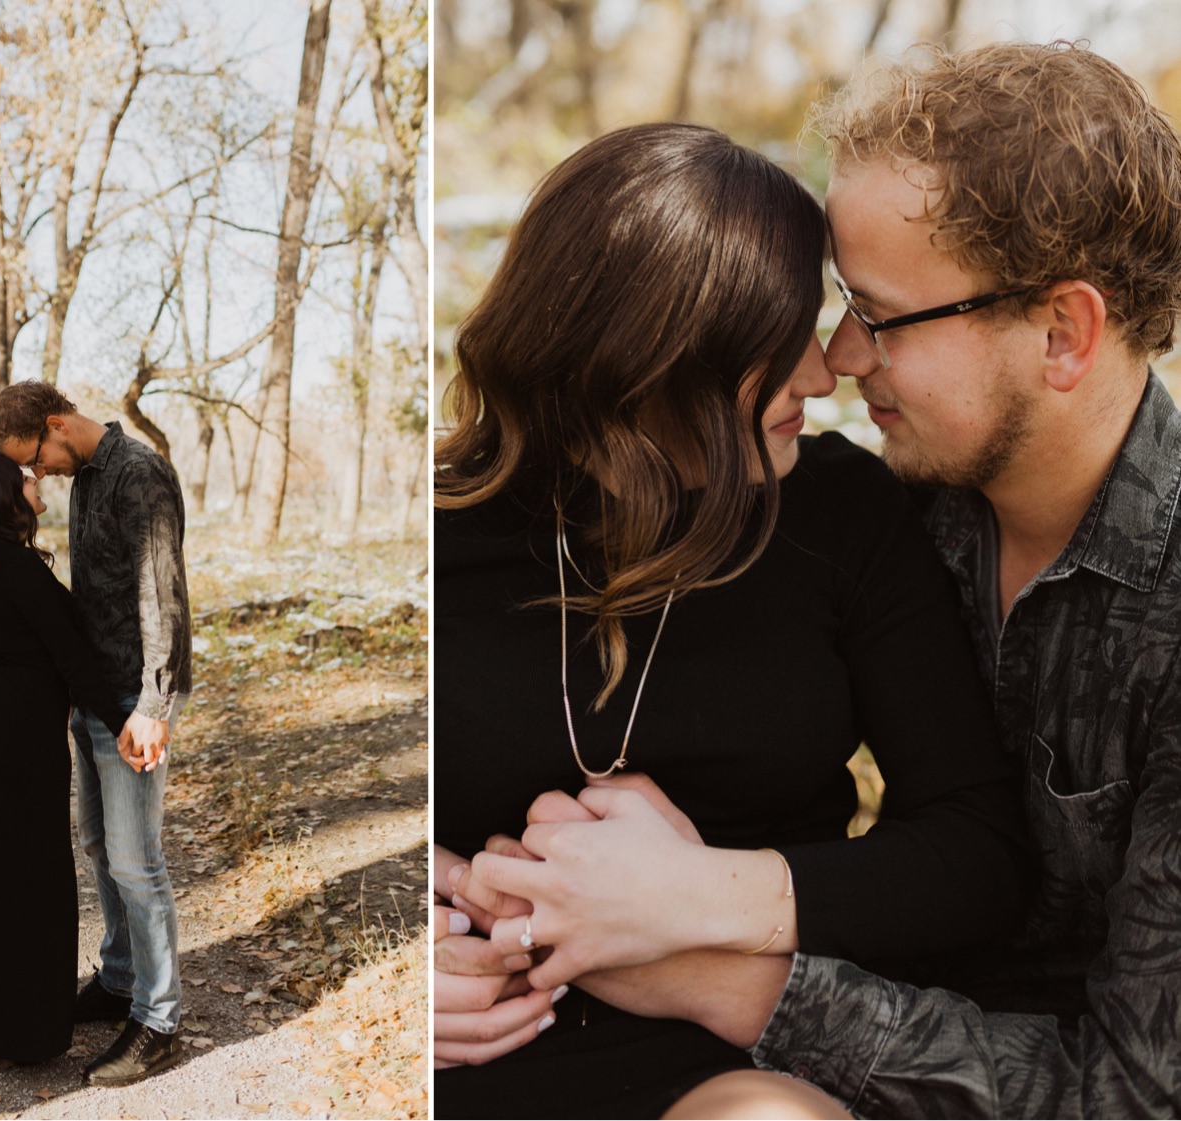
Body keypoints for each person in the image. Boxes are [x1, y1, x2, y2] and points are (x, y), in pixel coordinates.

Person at [461, 41, 1181, 1119]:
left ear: (1062, 331)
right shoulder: (913, 496)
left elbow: (1136, 1094)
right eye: (837, 305)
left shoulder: (861, 510)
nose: (838, 358)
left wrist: (695, 938)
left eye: (878, 314)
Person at [0, 381, 193, 1088]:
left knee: (138, 860)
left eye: (35, 460)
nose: (37, 475)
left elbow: (162, 591)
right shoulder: (85, 481)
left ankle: (159, 1019)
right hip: (95, 697)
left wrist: (153, 704)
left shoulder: (139, 473)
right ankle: (119, 977)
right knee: (101, 844)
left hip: (135, 700)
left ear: (56, 425)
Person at [0, 454, 127, 1067]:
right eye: (26, 475)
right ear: (5, 496)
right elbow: (72, 660)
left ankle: (1, 1006)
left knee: (15, 878)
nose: (37, 479)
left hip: (3, 733)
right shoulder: (17, 568)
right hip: (19, 742)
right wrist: (128, 724)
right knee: (37, 881)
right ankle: (23, 1031)